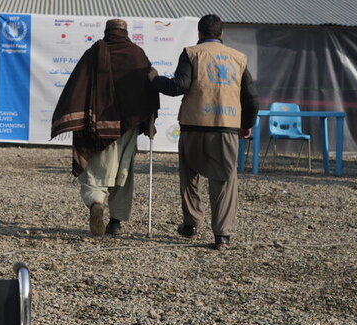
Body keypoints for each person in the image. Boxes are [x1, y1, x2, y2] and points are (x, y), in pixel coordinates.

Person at [150, 14, 258, 250]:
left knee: (190, 177)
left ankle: (191, 225)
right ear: (222, 34)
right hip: (227, 127)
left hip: (194, 126)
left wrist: (155, 80)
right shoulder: (239, 58)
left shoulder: (191, 53)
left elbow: (179, 86)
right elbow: (251, 97)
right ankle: (222, 235)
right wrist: (246, 123)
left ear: (199, 33)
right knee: (225, 181)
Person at [50, 18, 159, 236]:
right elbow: (149, 88)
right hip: (128, 128)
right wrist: (148, 120)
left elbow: (77, 87)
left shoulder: (94, 53)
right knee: (123, 174)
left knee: (95, 174)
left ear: (107, 32)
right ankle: (115, 222)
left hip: (98, 128)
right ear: (126, 33)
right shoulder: (137, 55)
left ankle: (96, 202)